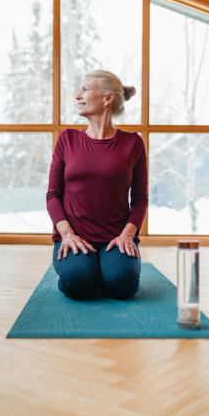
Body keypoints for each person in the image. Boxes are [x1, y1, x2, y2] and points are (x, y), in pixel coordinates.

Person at [46, 69, 148, 300]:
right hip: (74, 236)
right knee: (78, 284)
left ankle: (106, 269)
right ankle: (88, 270)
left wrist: (127, 235)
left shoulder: (133, 143)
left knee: (123, 286)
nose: (77, 95)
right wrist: (67, 234)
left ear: (107, 98)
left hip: (116, 238)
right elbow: (53, 194)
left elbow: (140, 199)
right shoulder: (67, 139)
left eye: (85, 89)